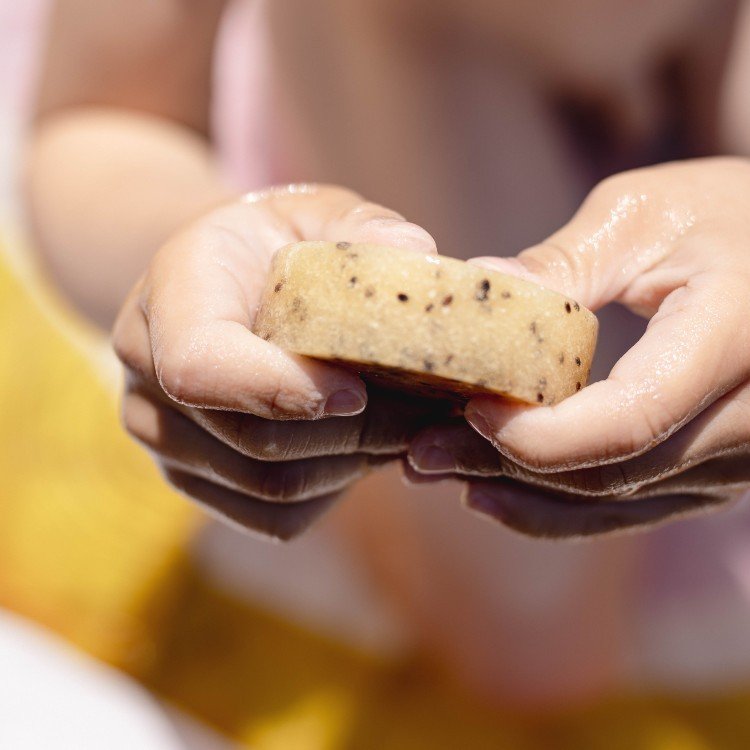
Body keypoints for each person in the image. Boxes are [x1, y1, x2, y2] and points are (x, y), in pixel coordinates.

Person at [23, 0, 750, 711]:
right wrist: (184, 263)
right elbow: (102, 118)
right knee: (525, 609)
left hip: (679, 137)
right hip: (339, 123)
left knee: (537, 611)